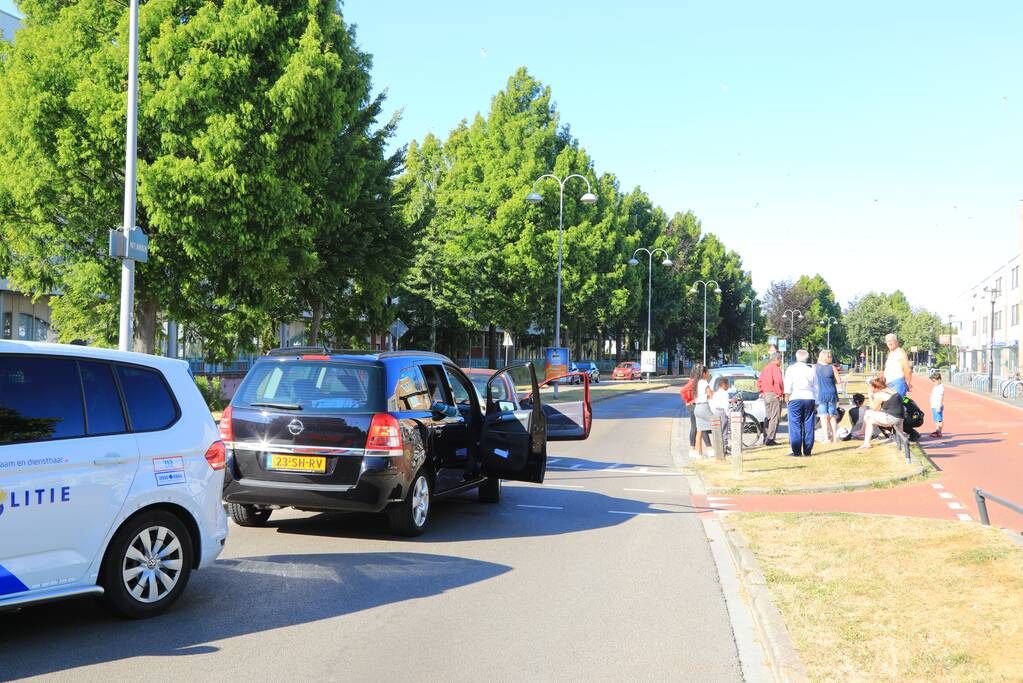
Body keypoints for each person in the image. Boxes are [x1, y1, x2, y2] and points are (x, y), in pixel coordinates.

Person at [784, 349, 819, 457]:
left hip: (795, 397)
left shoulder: (791, 369)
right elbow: (816, 386)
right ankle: (808, 450)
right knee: (809, 424)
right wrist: (816, 401)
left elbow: (788, 385)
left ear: (796, 357)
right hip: (809, 397)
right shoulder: (811, 370)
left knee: (795, 424)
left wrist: (787, 395)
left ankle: (797, 450)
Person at [858, 377, 905, 449]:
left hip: (892, 419)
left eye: (872, 387)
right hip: (900, 419)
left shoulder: (880, 394)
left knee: (868, 413)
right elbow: (879, 409)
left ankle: (862, 433)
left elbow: (874, 409)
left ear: (876, 387)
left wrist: (870, 397)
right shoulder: (892, 391)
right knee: (870, 420)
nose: (871, 389)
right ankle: (866, 442)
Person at [757, 352, 784, 445]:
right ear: (777, 359)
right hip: (773, 394)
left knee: (768, 416)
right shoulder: (775, 368)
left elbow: (759, 381)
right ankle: (770, 439)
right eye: (780, 359)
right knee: (774, 417)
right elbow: (778, 381)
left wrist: (762, 391)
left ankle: (765, 437)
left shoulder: (765, 368)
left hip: (766, 394)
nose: (781, 361)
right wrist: (779, 392)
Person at [815, 350, 841, 443]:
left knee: (823, 416)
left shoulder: (816, 367)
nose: (831, 358)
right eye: (829, 356)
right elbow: (838, 381)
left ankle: (826, 438)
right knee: (832, 416)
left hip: (822, 394)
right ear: (823, 357)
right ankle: (834, 438)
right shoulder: (832, 367)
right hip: (832, 393)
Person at [682, 364, 711, 449]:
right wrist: (689, 401)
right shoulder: (695, 381)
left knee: (698, 426)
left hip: (693, 405)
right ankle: (704, 447)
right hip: (694, 405)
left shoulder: (694, 380)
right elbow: (683, 391)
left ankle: (696, 448)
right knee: (698, 426)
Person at [692, 367, 714, 457]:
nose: (708, 374)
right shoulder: (704, 382)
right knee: (716, 424)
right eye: (707, 372)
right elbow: (710, 394)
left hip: (697, 407)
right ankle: (718, 449)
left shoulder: (696, 382)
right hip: (704, 407)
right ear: (704, 373)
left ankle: (699, 452)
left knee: (700, 430)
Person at [884, 333, 912, 397]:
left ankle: (910, 405)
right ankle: (909, 404)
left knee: (897, 404)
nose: (889, 343)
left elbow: (907, 370)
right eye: (887, 341)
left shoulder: (900, 352)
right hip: (889, 384)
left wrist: (907, 384)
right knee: (902, 402)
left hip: (897, 384)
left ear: (896, 341)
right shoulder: (890, 353)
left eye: (891, 340)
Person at [710, 376, 732, 450]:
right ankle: (724, 448)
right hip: (722, 412)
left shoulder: (716, 394)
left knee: (718, 430)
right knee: (724, 431)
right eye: (727, 384)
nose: (728, 386)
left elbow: (712, 404)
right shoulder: (725, 394)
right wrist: (728, 414)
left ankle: (718, 448)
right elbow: (726, 406)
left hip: (716, 412)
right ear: (723, 385)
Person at [929, 371, 945, 438]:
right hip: (934, 405)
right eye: (932, 381)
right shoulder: (936, 386)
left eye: (934, 381)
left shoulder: (940, 387)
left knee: (939, 419)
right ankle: (937, 430)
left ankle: (939, 432)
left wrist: (939, 406)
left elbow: (941, 397)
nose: (933, 382)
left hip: (937, 405)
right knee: (936, 420)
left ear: (939, 380)